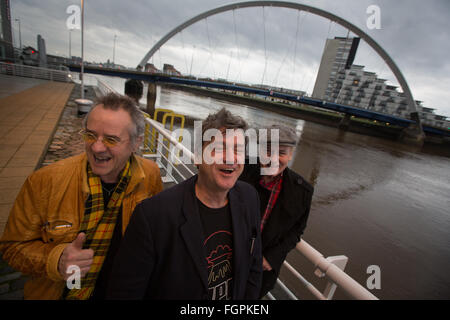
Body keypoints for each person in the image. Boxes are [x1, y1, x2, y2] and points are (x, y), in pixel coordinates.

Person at [0, 93, 163, 300]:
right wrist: (56, 260)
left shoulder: (150, 175)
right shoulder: (44, 182)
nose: (96, 147)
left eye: (111, 139)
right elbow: (12, 248)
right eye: (90, 135)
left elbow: (155, 235)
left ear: (136, 143)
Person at [106, 108, 262, 300]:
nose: (230, 158)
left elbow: (253, 266)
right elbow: (125, 292)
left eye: (237, 150)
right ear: (197, 156)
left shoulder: (249, 197)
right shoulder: (154, 216)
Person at [239, 124, 314, 298]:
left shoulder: (302, 192)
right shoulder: (239, 169)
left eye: (281, 153)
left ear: (290, 156)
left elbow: (297, 230)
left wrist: (272, 257)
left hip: (261, 271)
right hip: (227, 257)